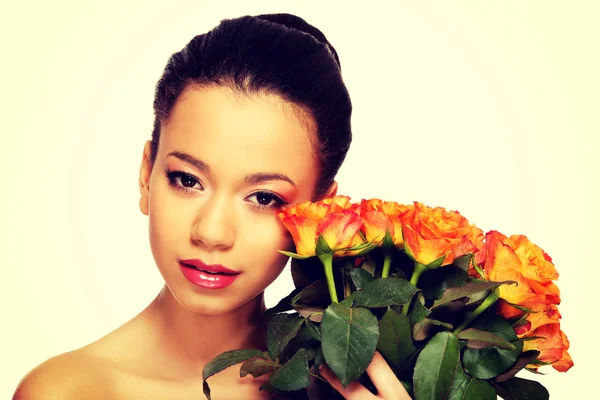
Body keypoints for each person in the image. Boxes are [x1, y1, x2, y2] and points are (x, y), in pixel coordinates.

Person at [13, 13, 411, 400]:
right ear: (146, 175)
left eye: (263, 198)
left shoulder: (360, 387)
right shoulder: (67, 392)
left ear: (320, 214)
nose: (211, 232)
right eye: (188, 180)